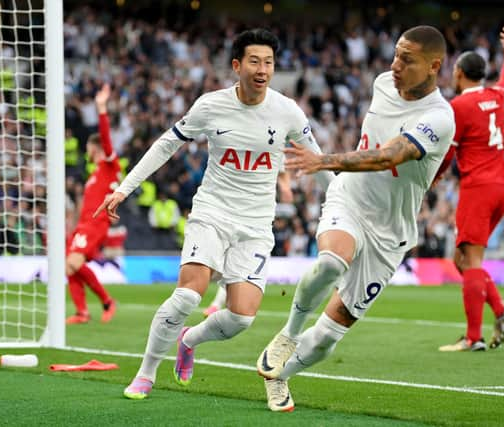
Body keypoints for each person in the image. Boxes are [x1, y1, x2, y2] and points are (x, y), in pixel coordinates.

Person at [94, 28, 333, 400]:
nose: (263, 69)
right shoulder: (211, 105)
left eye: (269, 62)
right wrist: (126, 187)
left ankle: (189, 341)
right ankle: (146, 372)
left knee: (241, 318)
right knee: (189, 295)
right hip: (213, 211)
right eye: (254, 61)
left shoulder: (287, 112)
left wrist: (340, 208)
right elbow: (167, 143)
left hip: (255, 224)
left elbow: (318, 163)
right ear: (237, 66)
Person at [255, 25, 455, 412]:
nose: (395, 65)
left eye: (407, 60)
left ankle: (279, 375)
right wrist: (333, 169)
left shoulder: (438, 117)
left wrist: (324, 160)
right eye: (396, 55)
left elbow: (389, 156)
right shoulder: (383, 82)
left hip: (391, 232)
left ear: (434, 66)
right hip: (350, 199)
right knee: (332, 261)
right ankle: (288, 334)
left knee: (330, 336)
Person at [438, 24, 504, 352]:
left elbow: (449, 152)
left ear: (459, 73)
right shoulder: (496, 96)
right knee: (462, 259)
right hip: (501, 189)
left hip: (477, 189)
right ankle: (501, 310)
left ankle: (473, 338)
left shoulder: (459, 106)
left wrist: (435, 175)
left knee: (470, 262)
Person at [201, 171, 294, 317]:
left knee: (236, 272)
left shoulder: (268, 167)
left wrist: (285, 185)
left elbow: (282, 172)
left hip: (257, 230)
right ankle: (218, 304)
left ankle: (220, 304)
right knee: (231, 269)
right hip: (240, 223)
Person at [65, 84, 119, 325]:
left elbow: (107, 140)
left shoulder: (109, 166)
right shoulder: (95, 174)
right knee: (70, 267)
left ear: (94, 147)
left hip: (96, 224)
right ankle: (82, 312)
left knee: (71, 265)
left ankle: (107, 301)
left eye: (88, 146)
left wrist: (101, 109)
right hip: (84, 225)